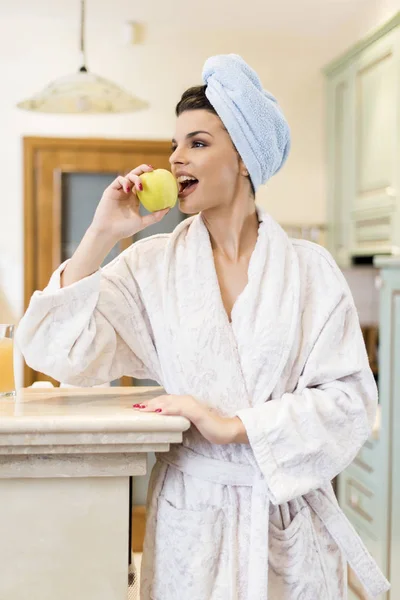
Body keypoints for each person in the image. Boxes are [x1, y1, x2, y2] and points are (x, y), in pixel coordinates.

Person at [17, 54, 389, 600]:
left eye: (196, 142)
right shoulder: (153, 266)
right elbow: (52, 348)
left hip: (284, 527)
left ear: (243, 157)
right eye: (174, 145)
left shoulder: (309, 271)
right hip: (192, 522)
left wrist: (231, 426)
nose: (174, 158)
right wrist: (102, 233)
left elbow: (350, 405)